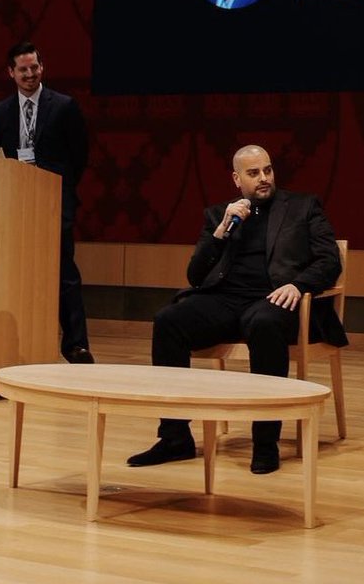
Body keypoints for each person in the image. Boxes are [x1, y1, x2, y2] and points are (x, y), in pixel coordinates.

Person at [127, 144, 346, 474]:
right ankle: (174, 437)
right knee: (168, 321)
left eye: (267, 170)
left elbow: (330, 260)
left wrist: (298, 285)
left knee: (263, 323)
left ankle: (265, 443)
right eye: (254, 173)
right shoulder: (220, 215)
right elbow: (196, 275)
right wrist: (219, 233)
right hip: (225, 299)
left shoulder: (302, 206)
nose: (263, 178)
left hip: (275, 299)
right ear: (236, 179)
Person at [0, 40, 93, 364]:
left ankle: (76, 345)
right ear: (11, 73)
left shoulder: (63, 106)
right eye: (23, 69)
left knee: (64, 273)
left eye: (35, 67)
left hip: (54, 204)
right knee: (19, 273)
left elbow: (80, 156)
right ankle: (23, 344)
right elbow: (1, 159)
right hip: (16, 207)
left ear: (42, 68)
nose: (30, 74)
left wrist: (56, 188)